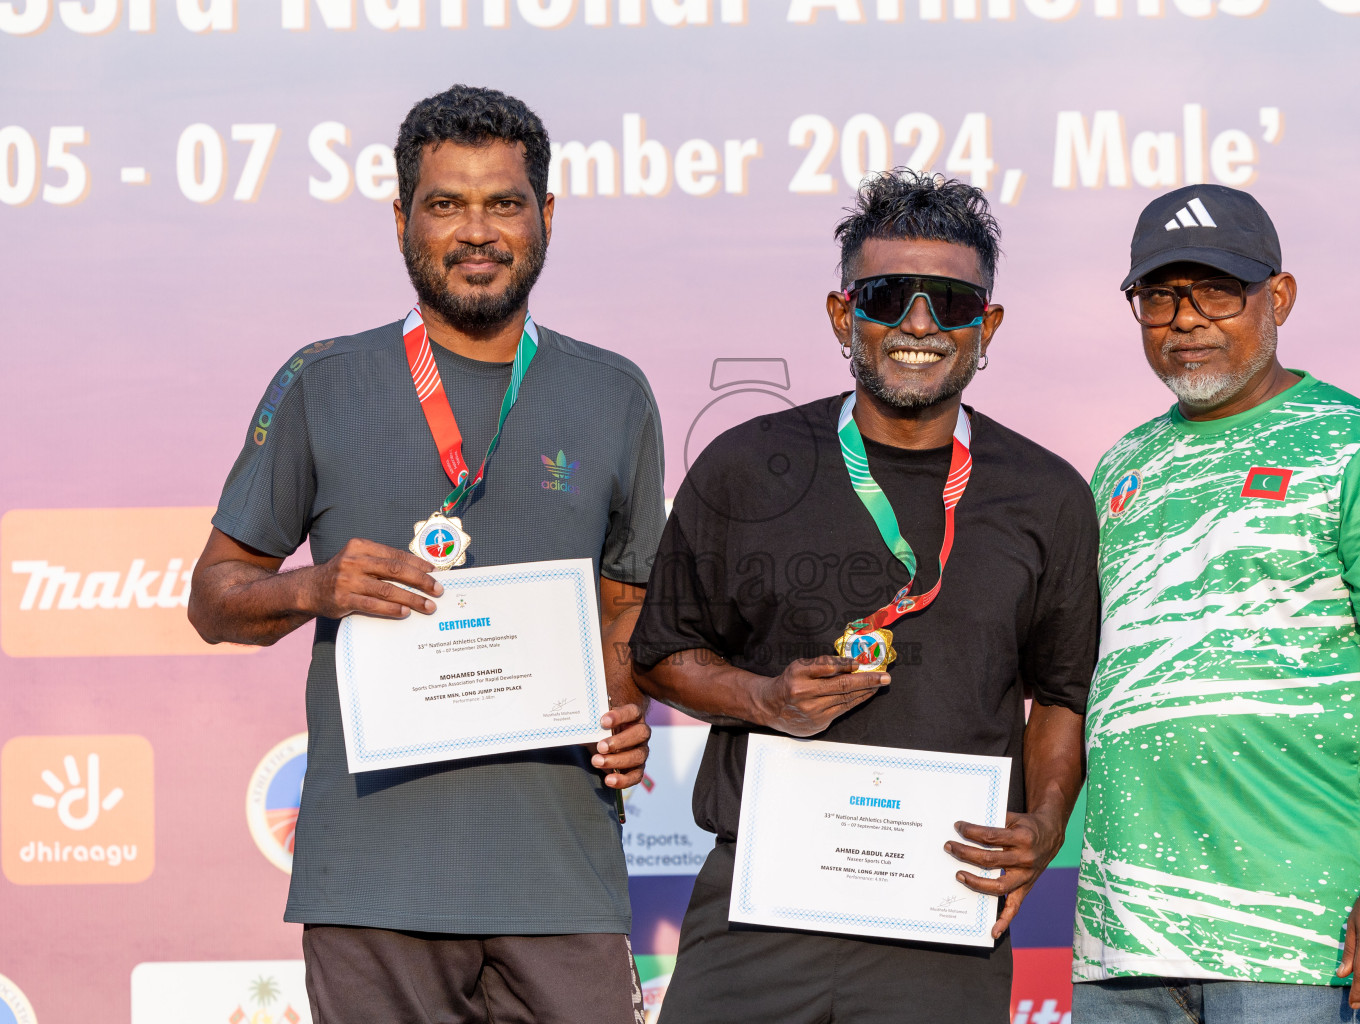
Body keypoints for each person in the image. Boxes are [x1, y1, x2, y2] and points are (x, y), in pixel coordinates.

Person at [187, 85, 664, 1024]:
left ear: (547, 216)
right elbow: (214, 599)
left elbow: (626, 608)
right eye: (447, 204)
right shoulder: (323, 383)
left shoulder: (614, 394)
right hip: (374, 885)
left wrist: (627, 700)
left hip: (559, 876)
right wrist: (317, 587)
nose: (476, 232)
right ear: (403, 218)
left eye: (503, 203)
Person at [627, 169, 1101, 1024]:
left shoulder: (1048, 495)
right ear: (845, 315)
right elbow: (664, 656)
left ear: (986, 326)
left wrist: (1048, 826)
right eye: (889, 296)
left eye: (951, 302)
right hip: (758, 909)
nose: (920, 324)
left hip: (946, 907)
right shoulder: (745, 465)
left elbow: (1062, 696)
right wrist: (764, 699)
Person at [1071, 184, 1360, 1023]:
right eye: (1159, 296)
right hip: (1121, 935)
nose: (1186, 319)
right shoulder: (1118, 469)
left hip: (1295, 934)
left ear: (1277, 297)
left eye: (1217, 289)